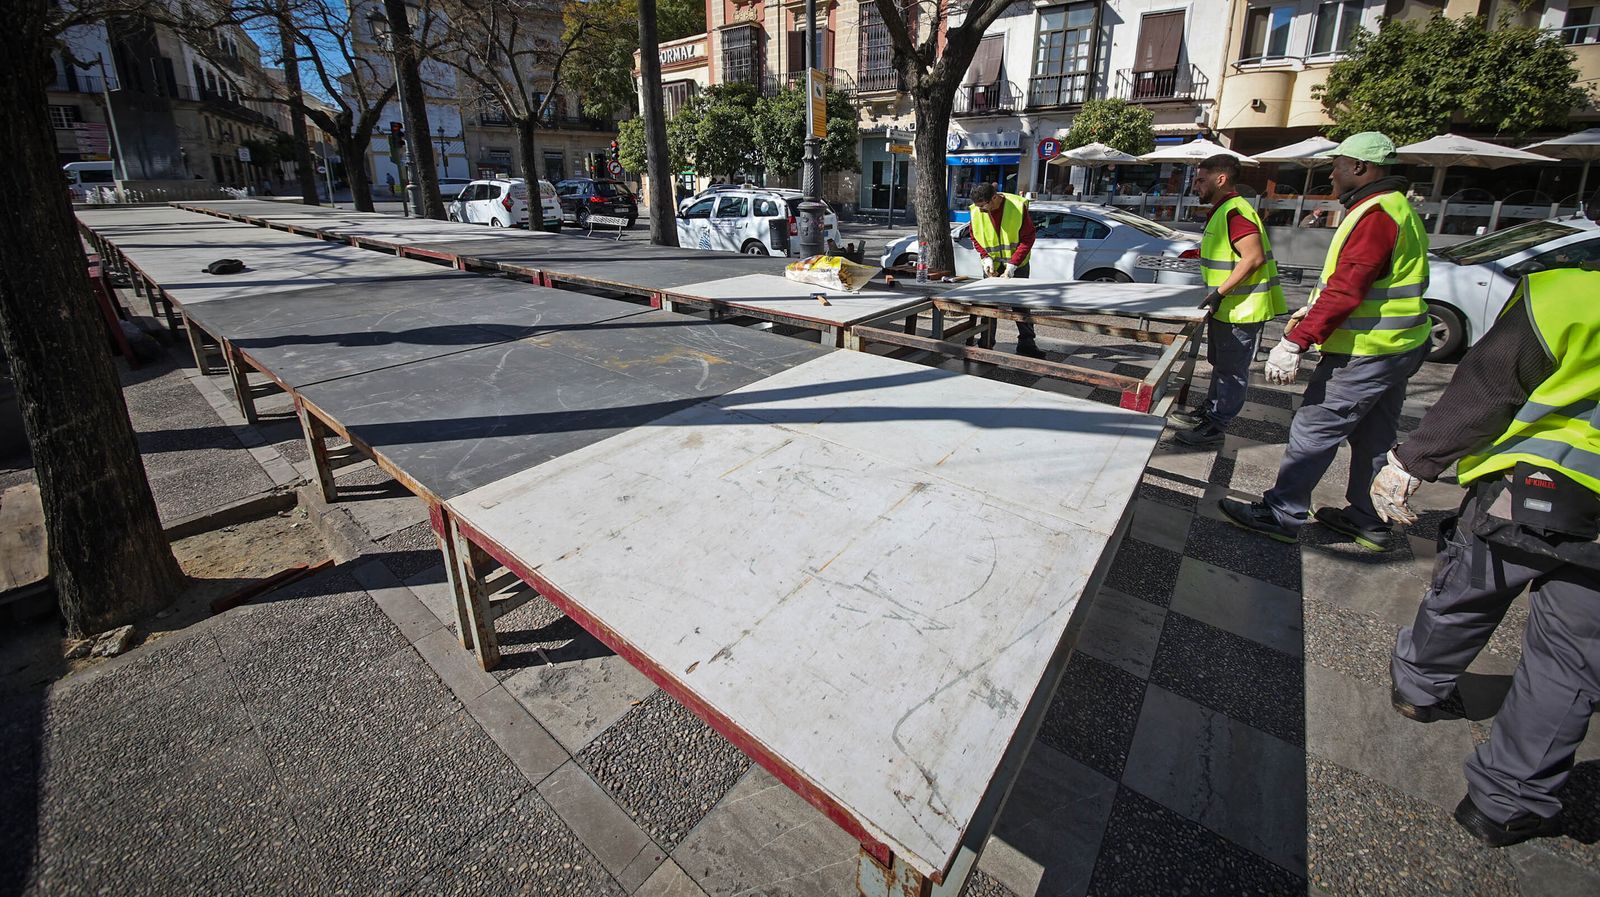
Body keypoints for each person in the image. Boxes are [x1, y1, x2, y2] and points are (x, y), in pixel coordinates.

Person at [1375, 261, 1600, 848]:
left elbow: (1488, 388)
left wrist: (1414, 461)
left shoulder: (1568, 291)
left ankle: (1420, 687)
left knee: (1469, 591)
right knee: (1573, 663)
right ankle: (1505, 804)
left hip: (1534, 490)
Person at [1219, 132, 1431, 551]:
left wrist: (1297, 341)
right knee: (1374, 435)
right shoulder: (1395, 208)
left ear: (1359, 167)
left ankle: (1282, 512)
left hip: (1368, 349)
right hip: (1400, 345)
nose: (1331, 173)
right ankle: (1368, 519)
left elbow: (1348, 288)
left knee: (1315, 428)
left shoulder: (1376, 214)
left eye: (1337, 165)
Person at [1172, 154, 1287, 448]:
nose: (1195, 185)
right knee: (1221, 366)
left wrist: (1219, 293)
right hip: (1229, 307)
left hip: (1241, 308)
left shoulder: (1235, 211)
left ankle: (1215, 427)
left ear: (1220, 179)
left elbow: (1253, 257)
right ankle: (1209, 413)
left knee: (1231, 372)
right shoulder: (1224, 210)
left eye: (1200, 179)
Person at [967, 182, 1041, 357]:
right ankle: (986, 343)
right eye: (979, 207)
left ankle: (1027, 344)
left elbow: (1028, 238)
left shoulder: (1016, 206)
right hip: (992, 265)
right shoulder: (976, 210)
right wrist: (985, 257)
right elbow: (974, 236)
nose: (981, 210)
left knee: (1021, 306)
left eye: (984, 206)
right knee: (988, 306)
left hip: (1017, 264)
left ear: (994, 198)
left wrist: (1013, 264)